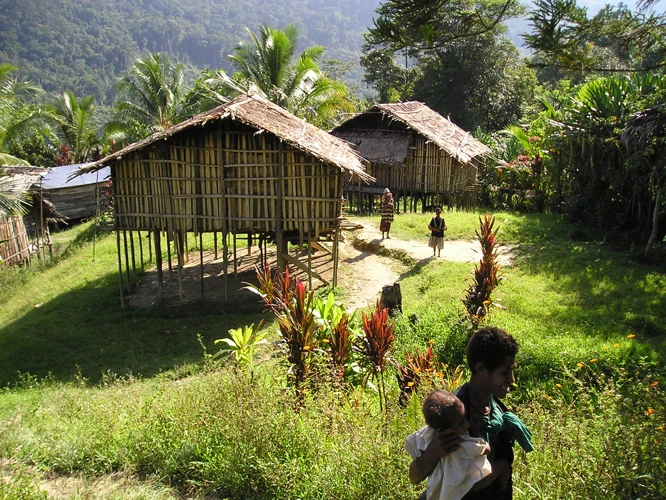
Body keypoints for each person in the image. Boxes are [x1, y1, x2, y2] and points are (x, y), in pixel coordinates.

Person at [409, 327, 534, 499]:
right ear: (481, 369)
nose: (512, 379)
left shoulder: (498, 411)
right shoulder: (453, 414)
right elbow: (415, 476)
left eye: (512, 370)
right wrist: (434, 451)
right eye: (505, 372)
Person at [405, 390, 492, 500]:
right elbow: (414, 476)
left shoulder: (426, 435)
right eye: (461, 423)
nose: (467, 424)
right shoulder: (455, 441)